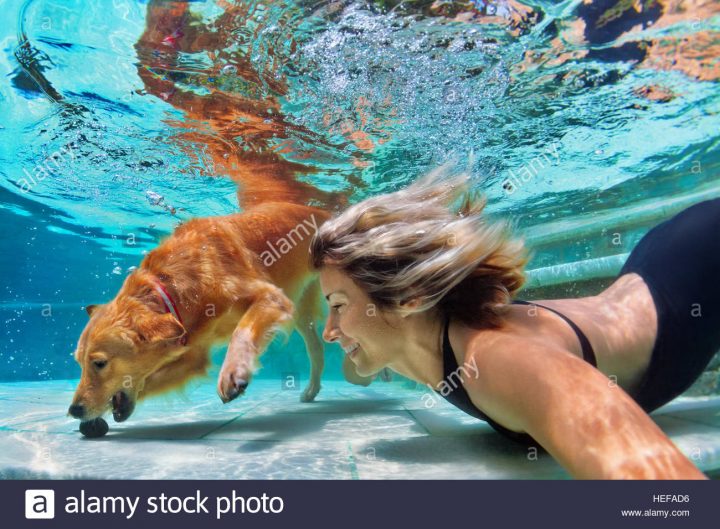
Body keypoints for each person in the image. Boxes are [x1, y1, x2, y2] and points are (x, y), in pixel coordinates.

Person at [309, 166, 718, 479]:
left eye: (339, 305)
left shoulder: (499, 360)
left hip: (702, 268)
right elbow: (357, 364)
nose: (329, 331)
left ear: (409, 298)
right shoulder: (408, 342)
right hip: (665, 262)